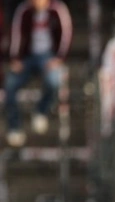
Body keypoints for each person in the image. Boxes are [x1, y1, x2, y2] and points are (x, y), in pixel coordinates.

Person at [4, 0, 72, 147]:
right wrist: (15, 58)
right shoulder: (24, 10)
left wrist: (59, 58)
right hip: (27, 57)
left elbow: (66, 34)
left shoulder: (57, 10)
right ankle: (14, 127)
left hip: (49, 56)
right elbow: (16, 34)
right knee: (10, 84)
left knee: (54, 80)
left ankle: (41, 111)